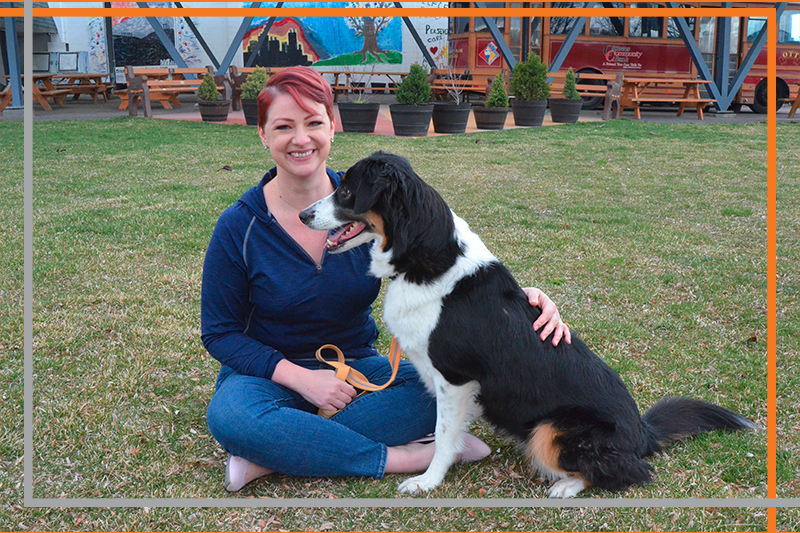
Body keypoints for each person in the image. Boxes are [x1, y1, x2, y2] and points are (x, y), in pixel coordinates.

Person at [201, 66, 571, 492]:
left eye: (314, 123)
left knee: (440, 387)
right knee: (232, 418)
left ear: (333, 126)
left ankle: (275, 453)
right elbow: (220, 333)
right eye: (284, 126)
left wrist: (518, 301)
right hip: (265, 377)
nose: (301, 139)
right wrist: (301, 379)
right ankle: (403, 456)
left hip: (359, 372)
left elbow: (446, 265)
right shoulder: (240, 226)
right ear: (263, 135)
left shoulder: (376, 198)